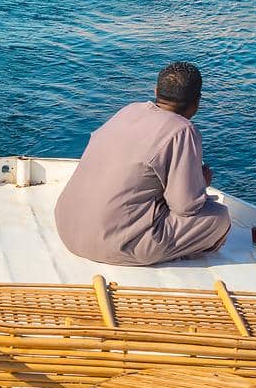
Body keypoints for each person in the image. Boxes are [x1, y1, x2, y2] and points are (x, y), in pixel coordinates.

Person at [54, 61, 232, 266]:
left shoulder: (129, 110)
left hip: (67, 228)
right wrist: (201, 181)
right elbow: (186, 206)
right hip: (111, 244)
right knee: (218, 217)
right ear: (197, 102)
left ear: (155, 90)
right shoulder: (182, 130)